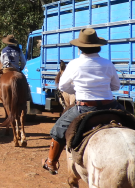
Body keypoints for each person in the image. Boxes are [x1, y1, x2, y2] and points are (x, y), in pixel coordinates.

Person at [42, 29, 121, 175]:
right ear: (98, 46)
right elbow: (116, 86)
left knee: (58, 129)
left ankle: (51, 162)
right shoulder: (108, 63)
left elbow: (63, 86)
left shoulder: (74, 64)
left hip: (84, 108)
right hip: (110, 106)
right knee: (133, 122)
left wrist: (78, 90)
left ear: (80, 47)